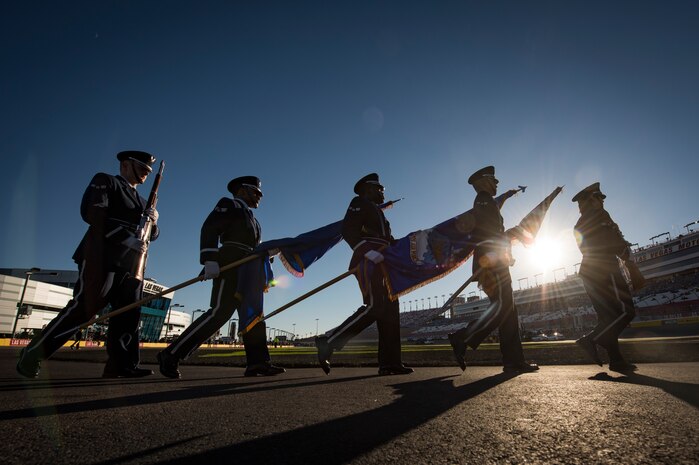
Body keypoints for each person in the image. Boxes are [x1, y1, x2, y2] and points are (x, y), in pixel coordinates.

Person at [17, 150, 160, 378]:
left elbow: (150, 236)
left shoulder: (143, 201)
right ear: (125, 165)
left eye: (148, 171)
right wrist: (126, 239)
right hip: (100, 257)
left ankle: (122, 365)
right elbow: (93, 213)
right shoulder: (107, 181)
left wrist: (154, 222)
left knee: (128, 315)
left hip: (131, 264)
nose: (145, 173)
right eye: (141, 168)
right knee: (84, 310)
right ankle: (33, 354)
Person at [157, 176, 285, 378]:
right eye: (256, 192)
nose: (260, 196)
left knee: (254, 315)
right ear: (243, 190)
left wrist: (265, 255)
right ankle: (171, 354)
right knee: (219, 313)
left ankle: (258, 363)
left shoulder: (253, 218)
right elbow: (210, 228)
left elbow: (251, 247)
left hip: (247, 270)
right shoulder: (229, 205)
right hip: (230, 265)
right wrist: (209, 259)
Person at [315, 173, 413, 376]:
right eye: (380, 189)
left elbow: (388, 240)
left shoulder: (378, 213)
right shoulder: (358, 202)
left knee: (391, 312)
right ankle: (329, 342)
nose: (383, 192)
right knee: (375, 307)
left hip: (384, 263)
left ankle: (390, 362)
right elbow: (349, 230)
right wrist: (367, 251)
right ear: (368, 189)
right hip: (369, 261)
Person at [448, 166, 539, 373]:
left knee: (508, 312)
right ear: (481, 182)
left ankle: (513, 361)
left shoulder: (487, 202)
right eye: (493, 179)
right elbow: (487, 235)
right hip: (491, 263)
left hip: (496, 260)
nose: (497, 183)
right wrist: (509, 238)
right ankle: (463, 337)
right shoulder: (483, 200)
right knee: (503, 308)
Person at [572, 182, 638, 372]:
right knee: (626, 311)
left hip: (590, 271)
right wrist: (627, 256)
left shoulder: (580, 222)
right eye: (598, 198)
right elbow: (612, 240)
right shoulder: (599, 216)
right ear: (589, 201)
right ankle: (592, 339)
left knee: (607, 318)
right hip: (605, 269)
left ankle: (615, 359)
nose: (602, 201)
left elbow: (589, 246)